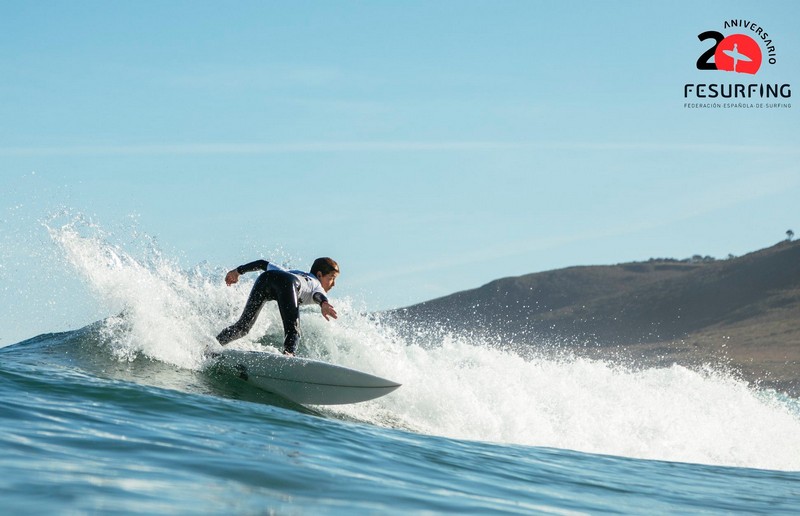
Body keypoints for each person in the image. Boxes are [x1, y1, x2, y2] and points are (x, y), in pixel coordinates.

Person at [216, 257, 339, 356]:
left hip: (266, 278)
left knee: (243, 327)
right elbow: (318, 295)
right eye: (331, 278)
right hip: (289, 283)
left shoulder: (297, 273)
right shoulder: (317, 284)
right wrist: (324, 303)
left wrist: (237, 271)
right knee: (293, 331)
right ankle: (289, 355)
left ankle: (214, 344)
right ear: (319, 275)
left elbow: (262, 263)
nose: (333, 284)